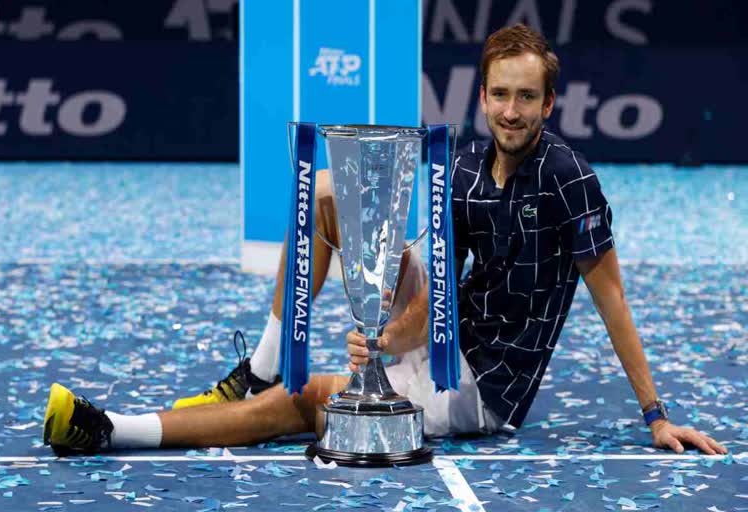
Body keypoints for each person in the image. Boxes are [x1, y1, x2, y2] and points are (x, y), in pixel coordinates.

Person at [42, 24, 727, 457]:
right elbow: (434, 287)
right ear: (481, 98)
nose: (511, 111)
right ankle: (263, 363)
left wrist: (656, 415)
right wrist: (402, 332)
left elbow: (613, 302)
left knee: (308, 405)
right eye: (499, 95)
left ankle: (112, 431)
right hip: (445, 339)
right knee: (330, 200)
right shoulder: (460, 168)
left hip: (482, 389)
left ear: (549, 104)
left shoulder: (569, 179)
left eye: (526, 98)